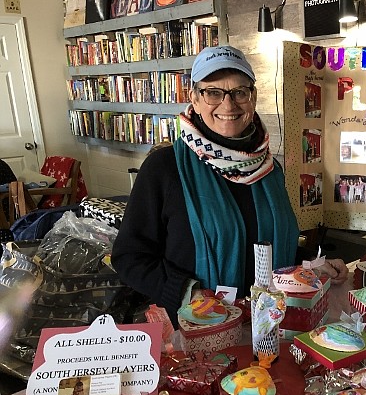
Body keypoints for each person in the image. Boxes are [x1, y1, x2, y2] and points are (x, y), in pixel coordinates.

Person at [112, 46, 348, 329]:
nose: (228, 105)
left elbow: (265, 247)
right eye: (213, 92)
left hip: (274, 326)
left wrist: (311, 265)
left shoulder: (270, 169)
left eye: (239, 92)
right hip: (200, 332)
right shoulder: (164, 168)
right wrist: (188, 292)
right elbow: (129, 258)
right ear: (195, 99)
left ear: (253, 97)